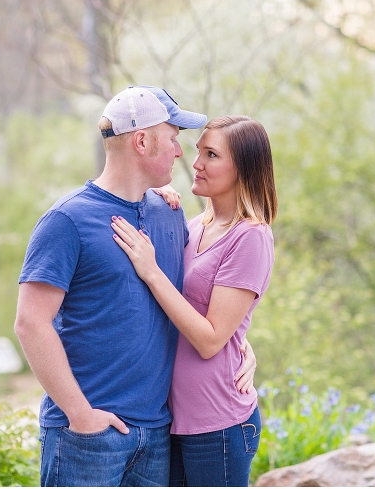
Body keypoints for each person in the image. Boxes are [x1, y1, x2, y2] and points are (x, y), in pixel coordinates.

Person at [14, 86, 256, 487]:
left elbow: (197, 299)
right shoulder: (67, 220)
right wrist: (80, 415)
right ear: (142, 141)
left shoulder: (171, 216)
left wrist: (241, 345)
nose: (182, 153)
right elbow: (30, 323)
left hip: (158, 434)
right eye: (174, 139)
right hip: (88, 435)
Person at [110, 115, 277, 486]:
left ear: (244, 169)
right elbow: (193, 309)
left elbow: (209, 339)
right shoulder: (194, 225)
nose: (196, 163)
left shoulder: (250, 237)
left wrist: (151, 271)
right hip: (172, 418)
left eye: (212, 155)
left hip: (218, 425)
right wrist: (153, 198)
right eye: (199, 151)